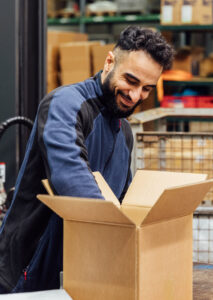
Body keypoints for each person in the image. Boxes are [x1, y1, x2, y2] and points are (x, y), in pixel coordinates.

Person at [0, 25, 174, 293]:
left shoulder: (123, 131)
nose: (136, 96)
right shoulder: (65, 104)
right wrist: (122, 236)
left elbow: (122, 198)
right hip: (28, 270)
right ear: (109, 62)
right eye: (130, 80)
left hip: (79, 272)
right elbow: (73, 179)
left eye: (147, 89)